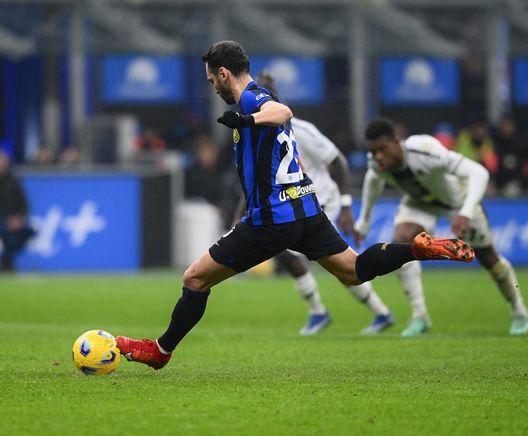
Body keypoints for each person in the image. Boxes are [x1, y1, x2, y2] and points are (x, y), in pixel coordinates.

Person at [115, 41, 474, 370]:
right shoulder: (258, 97)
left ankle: (160, 351)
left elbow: (282, 111)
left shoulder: (252, 99)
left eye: (212, 81)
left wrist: (247, 119)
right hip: (306, 210)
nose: (214, 88)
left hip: (273, 219)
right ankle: (416, 249)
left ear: (224, 74)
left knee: (194, 278)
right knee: (353, 270)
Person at [353, 117, 528, 336]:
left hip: (457, 202)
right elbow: (373, 180)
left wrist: (465, 212)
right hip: (419, 203)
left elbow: (479, 172)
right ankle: (420, 316)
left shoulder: (425, 151)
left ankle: (519, 311)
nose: (377, 156)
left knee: (488, 258)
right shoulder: (376, 163)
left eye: (382, 149)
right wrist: (364, 221)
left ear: (396, 142)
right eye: (373, 151)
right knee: (401, 241)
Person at [255, 72, 393, 336]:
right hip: (294, 205)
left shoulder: (300, 130)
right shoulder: (258, 135)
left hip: (322, 201)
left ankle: (370, 312)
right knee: (291, 252)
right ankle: (337, 312)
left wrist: (346, 205)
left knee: (333, 261)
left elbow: (337, 161)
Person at [0, 150, 35, 271]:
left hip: (16, 220)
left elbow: (23, 203)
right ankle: (6, 262)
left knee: (29, 232)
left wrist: (20, 217)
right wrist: (7, 220)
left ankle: (6, 261)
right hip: (3, 221)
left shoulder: (14, 181)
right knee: (8, 236)